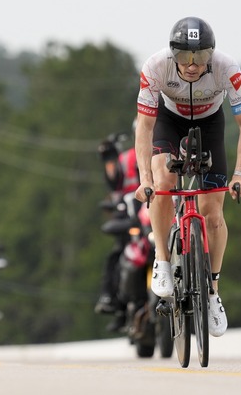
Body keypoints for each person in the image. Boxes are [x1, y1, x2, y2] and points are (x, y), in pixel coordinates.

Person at [134, 17, 241, 337]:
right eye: (184, 57)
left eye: (200, 57)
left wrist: (240, 175)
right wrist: (144, 179)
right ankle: (162, 259)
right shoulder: (156, 66)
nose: (191, 65)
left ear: (211, 55)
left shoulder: (227, 69)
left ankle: (213, 292)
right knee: (163, 184)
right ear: (172, 54)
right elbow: (144, 128)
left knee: (212, 213)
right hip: (168, 121)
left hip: (210, 125)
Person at [94, 126, 140, 332]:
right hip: (128, 214)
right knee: (117, 254)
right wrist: (109, 156)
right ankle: (111, 298)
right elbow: (114, 181)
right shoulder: (126, 158)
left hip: (154, 213)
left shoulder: (164, 154)